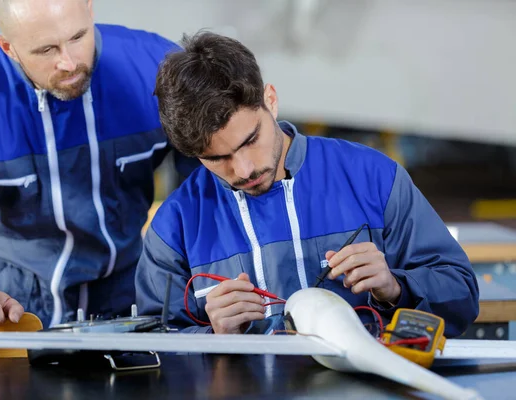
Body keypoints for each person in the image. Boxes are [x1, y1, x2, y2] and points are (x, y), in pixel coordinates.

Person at [135, 31, 479, 337]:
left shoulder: (374, 178)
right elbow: (153, 349)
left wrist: (394, 287)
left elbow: (461, 297)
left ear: (270, 99)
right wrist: (215, 335)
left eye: (250, 139)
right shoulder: (174, 228)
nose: (244, 169)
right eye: (216, 158)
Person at [0, 0, 196, 331]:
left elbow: (212, 179)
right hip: (13, 313)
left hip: (132, 300)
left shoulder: (159, 68)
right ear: (8, 47)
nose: (69, 62)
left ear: (90, 11)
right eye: (46, 49)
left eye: (78, 37)